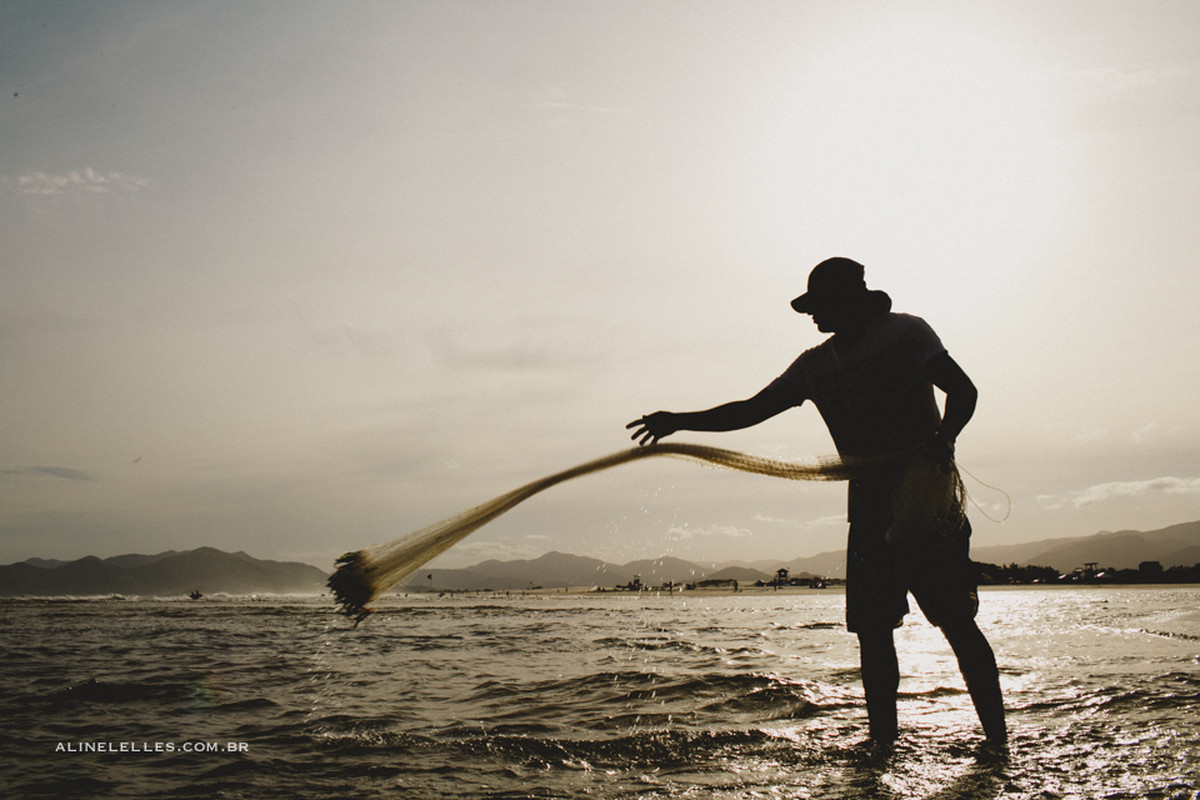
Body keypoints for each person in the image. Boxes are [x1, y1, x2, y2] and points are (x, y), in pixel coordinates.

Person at [626, 257, 1006, 749]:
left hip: (925, 499)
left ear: (850, 299)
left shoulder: (905, 334)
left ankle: (997, 742)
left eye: (818, 305)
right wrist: (679, 420)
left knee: (956, 621)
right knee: (873, 631)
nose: (812, 315)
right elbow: (751, 410)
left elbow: (964, 390)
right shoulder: (814, 366)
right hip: (868, 506)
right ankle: (882, 746)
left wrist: (945, 436)